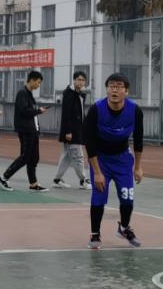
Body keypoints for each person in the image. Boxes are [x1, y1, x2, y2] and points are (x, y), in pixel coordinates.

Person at [82, 72, 144, 249]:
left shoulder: (135, 110)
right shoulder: (96, 110)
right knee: (98, 197)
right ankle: (95, 234)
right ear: (107, 89)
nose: (114, 90)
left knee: (127, 198)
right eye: (111, 86)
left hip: (123, 159)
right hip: (100, 159)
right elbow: (89, 142)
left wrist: (138, 167)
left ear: (126, 91)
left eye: (119, 86)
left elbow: (138, 139)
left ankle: (124, 228)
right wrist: (97, 172)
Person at [0, 70, 48, 192]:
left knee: (34, 158)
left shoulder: (29, 94)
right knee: (25, 156)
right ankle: (4, 178)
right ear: (32, 80)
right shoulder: (22, 93)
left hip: (33, 130)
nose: (38, 85)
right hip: (26, 130)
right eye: (38, 82)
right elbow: (24, 111)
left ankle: (33, 184)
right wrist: (39, 111)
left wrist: (37, 125)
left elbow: (30, 112)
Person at [52, 71, 89, 189]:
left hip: (77, 130)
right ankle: (83, 180)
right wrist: (68, 131)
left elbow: (81, 113)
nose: (81, 82)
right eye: (79, 79)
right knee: (78, 156)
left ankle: (57, 179)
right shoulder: (69, 93)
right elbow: (66, 114)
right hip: (71, 132)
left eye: (83, 80)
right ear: (74, 80)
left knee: (67, 157)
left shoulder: (80, 94)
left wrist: (86, 125)